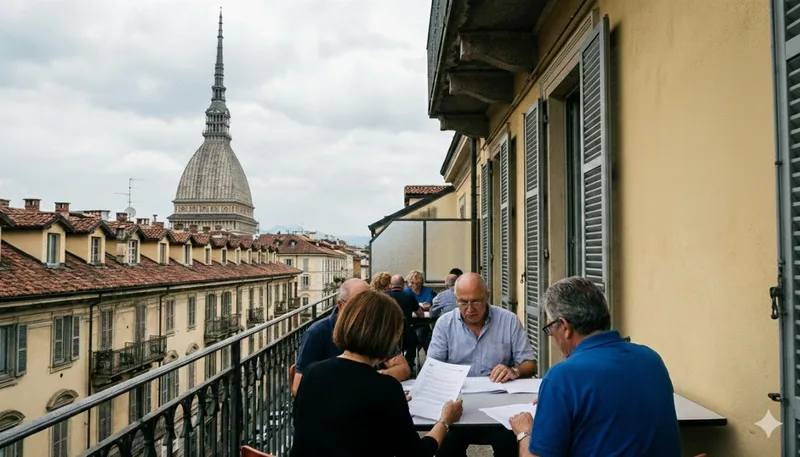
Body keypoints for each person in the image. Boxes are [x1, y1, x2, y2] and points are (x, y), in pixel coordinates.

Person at [509, 277, 681, 457]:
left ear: (565, 327)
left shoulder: (563, 377)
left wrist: (524, 432)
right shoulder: (651, 359)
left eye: (551, 329)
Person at [290, 289, 464, 457]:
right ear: (388, 337)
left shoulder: (312, 372)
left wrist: (389, 405)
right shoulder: (385, 388)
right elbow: (416, 453)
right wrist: (445, 420)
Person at [427, 273, 537, 457]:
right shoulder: (445, 324)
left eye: (476, 301)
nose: (470, 309)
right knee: (446, 447)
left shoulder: (508, 320)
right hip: (458, 407)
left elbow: (530, 364)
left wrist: (514, 371)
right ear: (456, 299)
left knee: (510, 446)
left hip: (500, 407)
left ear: (487, 295)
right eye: (463, 302)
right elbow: (433, 369)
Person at [291, 278, 411, 395]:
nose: (366, 312)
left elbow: (403, 369)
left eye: (369, 306)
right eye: (358, 306)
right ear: (340, 305)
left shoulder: (374, 328)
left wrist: (373, 380)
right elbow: (299, 387)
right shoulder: (317, 332)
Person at [387, 275, 423, 368]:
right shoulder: (409, 296)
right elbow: (420, 314)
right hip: (405, 336)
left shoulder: (384, 296)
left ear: (391, 285)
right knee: (416, 341)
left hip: (387, 337)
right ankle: (408, 362)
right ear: (403, 285)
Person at [405, 270, 436, 350]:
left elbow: (428, 305)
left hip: (423, 322)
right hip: (408, 323)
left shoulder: (428, 291)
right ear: (409, 282)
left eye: (417, 283)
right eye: (412, 283)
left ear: (421, 282)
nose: (415, 285)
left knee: (423, 335)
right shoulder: (406, 291)